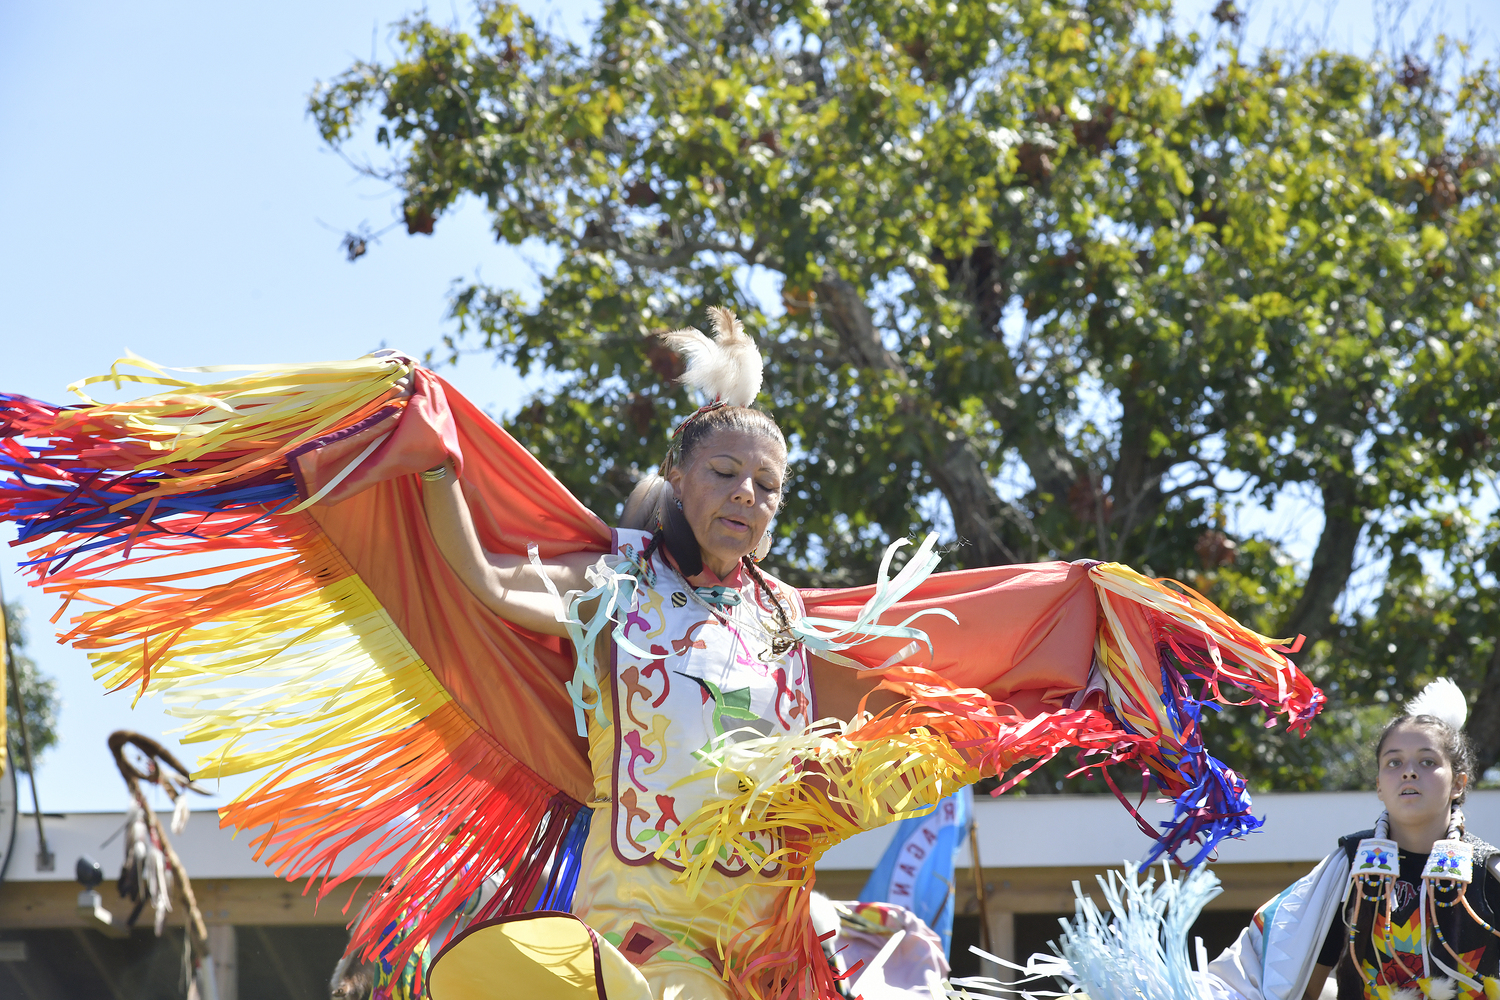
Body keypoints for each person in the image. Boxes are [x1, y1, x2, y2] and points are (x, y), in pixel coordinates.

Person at [0, 310, 1324, 1000]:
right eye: (727, 472)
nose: (747, 498)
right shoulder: (613, 596)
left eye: (767, 483)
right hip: (643, 932)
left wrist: (1080, 623)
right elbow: (468, 583)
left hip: (776, 932)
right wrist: (438, 465)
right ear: (683, 477)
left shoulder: (791, 624)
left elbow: (938, 657)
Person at [1204, 679, 1500, 1000]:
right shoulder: (1347, 871)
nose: (1409, 772)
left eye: (1427, 761)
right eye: (1394, 762)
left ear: (1458, 783)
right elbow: (1295, 980)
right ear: (1378, 786)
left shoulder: (1489, 873)